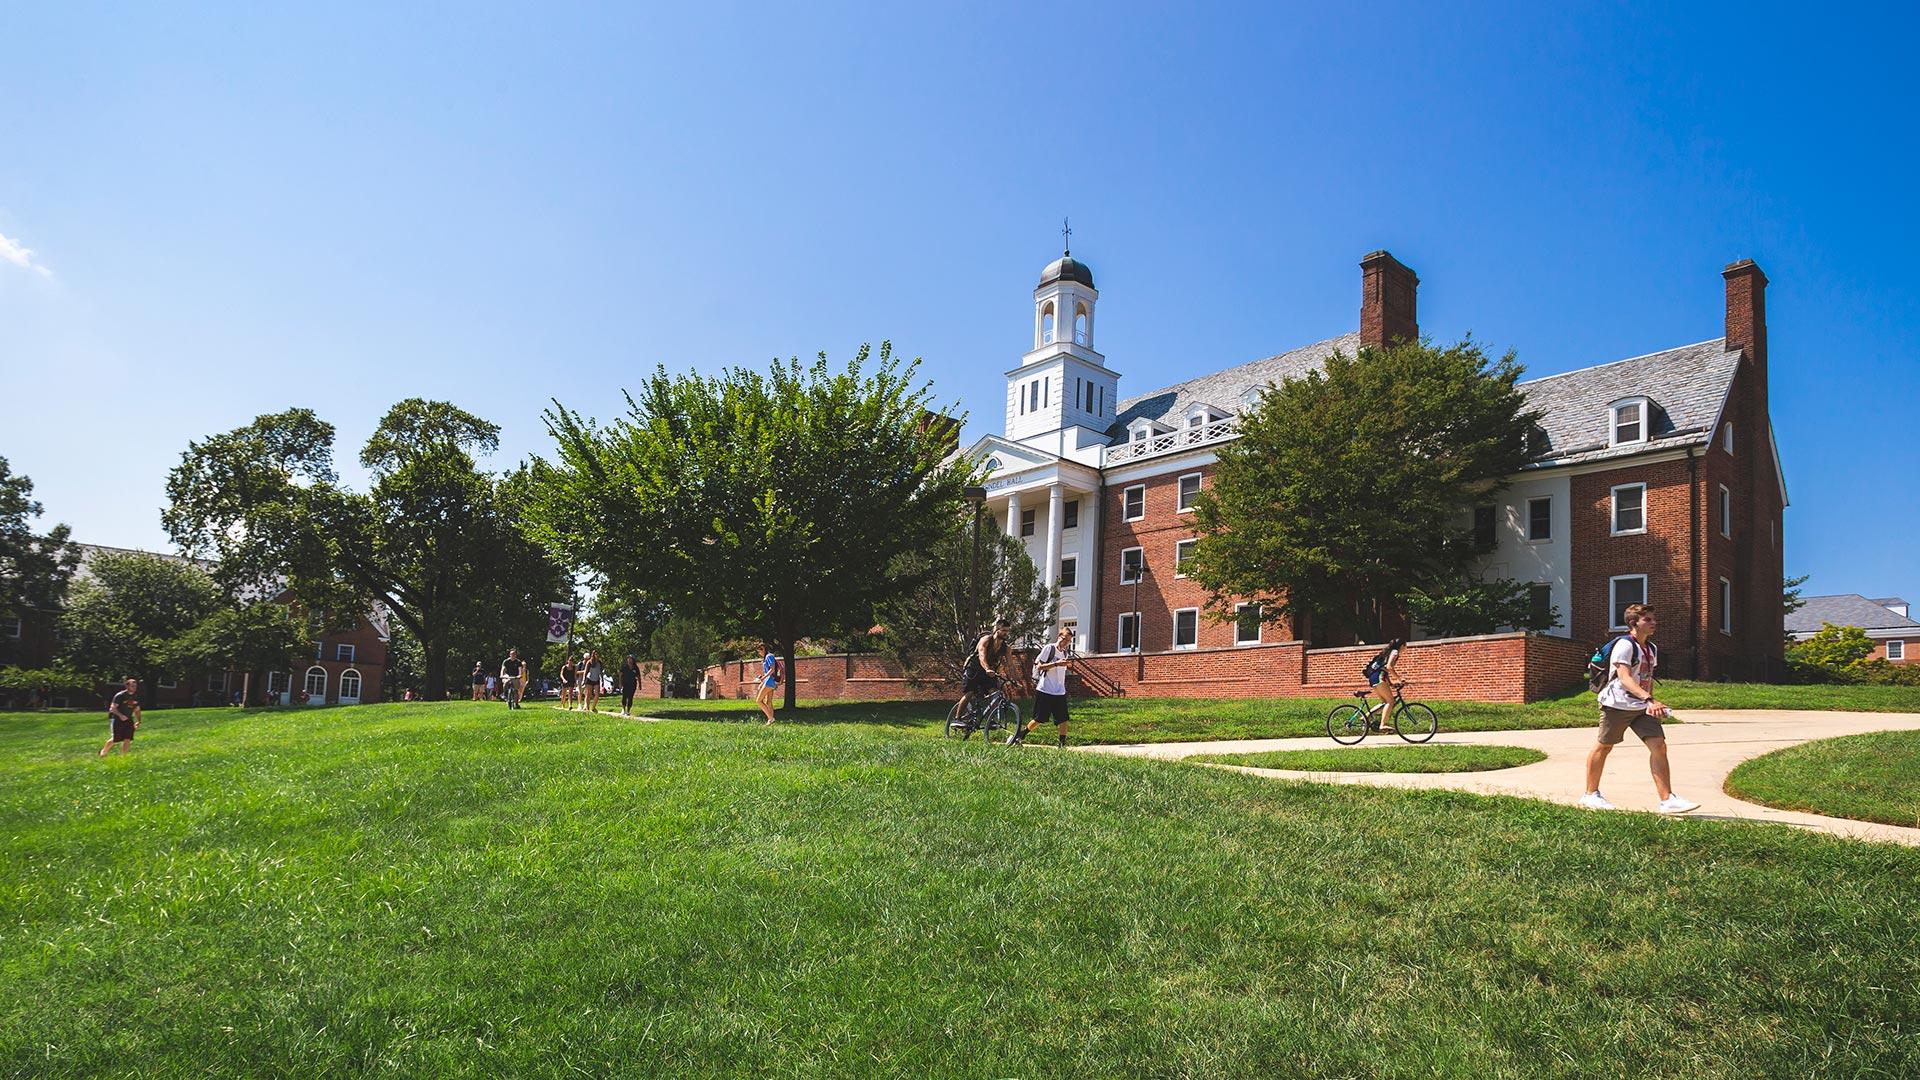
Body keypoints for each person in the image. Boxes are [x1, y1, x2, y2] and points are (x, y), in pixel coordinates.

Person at [1581, 604, 1699, 814]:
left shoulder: (1651, 648)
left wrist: (1651, 704)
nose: (1654, 623)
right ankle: (1590, 795)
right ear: (1633, 623)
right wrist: (1649, 699)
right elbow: (1625, 678)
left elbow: (1646, 678)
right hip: (1616, 705)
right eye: (1648, 620)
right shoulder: (1625, 645)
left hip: (1641, 706)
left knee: (1659, 746)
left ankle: (1667, 800)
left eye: (1654, 619)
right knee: (1604, 746)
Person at [1011, 623, 1075, 746]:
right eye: (1065, 639)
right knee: (1039, 719)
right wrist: (1056, 664)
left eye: (1069, 641)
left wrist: (1065, 665)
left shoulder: (1065, 654)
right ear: (1059, 636)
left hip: (1059, 691)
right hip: (1045, 690)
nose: (1066, 642)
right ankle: (1020, 736)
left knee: (1064, 719)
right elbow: (1039, 667)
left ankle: (1062, 745)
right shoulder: (1049, 648)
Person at [957, 618, 1014, 722]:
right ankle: (958, 719)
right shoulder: (986, 640)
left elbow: (1010, 664)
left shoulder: (1006, 648)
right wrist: (987, 669)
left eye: (1008, 631)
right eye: (1004, 631)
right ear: (997, 630)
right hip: (973, 669)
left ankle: (991, 720)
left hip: (989, 672)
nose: (1006, 633)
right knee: (969, 693)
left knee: (995, 693)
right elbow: (981, 656)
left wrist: (1014, 679)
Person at [1362, 637, 1405, 731]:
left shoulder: (1388, 652)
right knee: (1390, 702)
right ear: (1402, 646)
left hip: (1373, 678)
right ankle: (1383, 724)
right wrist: (1399, 679)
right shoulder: (1395, 652)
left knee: (1385, 703)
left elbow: (1383, 669)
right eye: (1405, 647)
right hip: (1379, 677)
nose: (1405, 649)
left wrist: (1391, 683)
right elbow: (1389, 667)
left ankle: (1366, 716)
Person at [99, 677, 141, 757]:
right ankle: (103, 752)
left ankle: (123, 756)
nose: (134, 688)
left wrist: (138, 720)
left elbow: (137, 710)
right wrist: (121, 715)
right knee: (116, 738)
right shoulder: (120, 696)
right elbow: (112, 708)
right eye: (132, 686)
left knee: (127, 738)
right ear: (127, 686)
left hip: (128, 719)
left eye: (135, 686)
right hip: (116, 719)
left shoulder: (136, 697)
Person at [754, 641, 779, 725]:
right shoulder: (766, 658)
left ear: (763, 649)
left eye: (759, 651)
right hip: (769, 681)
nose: (759, 653)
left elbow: (772, 669)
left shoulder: (769, 656)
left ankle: (771, 718)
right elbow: (767, 671)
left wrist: (764, 678)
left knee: (758, 701)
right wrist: (762, 682)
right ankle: (770, 721)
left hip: (769, 681)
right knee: (768, 701)